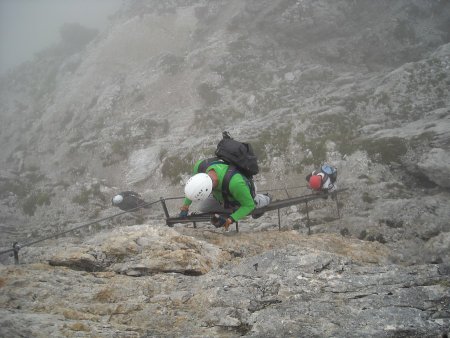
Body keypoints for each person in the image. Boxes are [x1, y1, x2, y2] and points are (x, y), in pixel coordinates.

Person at [179, 160, 271, 231]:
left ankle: (264, 198)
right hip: (222, 191)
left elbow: (249, 205)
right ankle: (232, 207)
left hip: (244, 188)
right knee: (203, 207)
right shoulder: (200, 167)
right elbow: (194, 187)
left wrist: (230, 219)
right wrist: (185, 206)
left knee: (249, 205)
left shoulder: (235, 183)